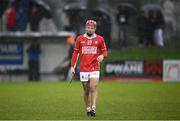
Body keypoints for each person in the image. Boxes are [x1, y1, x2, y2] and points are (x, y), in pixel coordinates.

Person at [70, 20, 108, 117]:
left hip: (95, 67)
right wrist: (72, 67)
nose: (90, 29)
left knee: (93, 87)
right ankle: (88, 108)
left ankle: (93, 107)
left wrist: (102, 56)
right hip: (83, 68)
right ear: (85, 28)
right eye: (88, 27)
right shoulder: (79, 39)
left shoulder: (100, 39)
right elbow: (75, 54)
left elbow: (105, 52)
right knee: (86, 90)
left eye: (92, 28)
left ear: (95, 29)